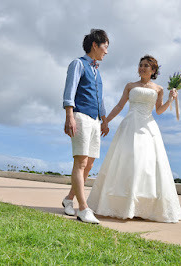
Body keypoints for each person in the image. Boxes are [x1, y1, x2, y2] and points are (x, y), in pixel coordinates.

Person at [87, 55, 181, 223]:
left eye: (146, 66)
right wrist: (106, 121)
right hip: (129, 126)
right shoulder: (130, 86)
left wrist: (170, 99)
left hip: (148, 127)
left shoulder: (159, 89)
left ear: (153, 70)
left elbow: (159, 110)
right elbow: (119, 106)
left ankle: (141, 207)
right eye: (140, 65)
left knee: (145, 165)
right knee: (128, 161)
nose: (142, 68)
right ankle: (122, 205)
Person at [62, 29, 110, 224]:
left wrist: (104, 119)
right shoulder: (78, 64)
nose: (106, 51)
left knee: (89, 165)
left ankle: (68, 199)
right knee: (80, 163)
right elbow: (70, 90)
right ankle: (83, 208)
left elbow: (100, 98)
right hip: (80, 116)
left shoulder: (97, 70)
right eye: (105, 47)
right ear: (95, 45)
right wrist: (69, 116)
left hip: (94, 120)